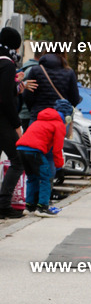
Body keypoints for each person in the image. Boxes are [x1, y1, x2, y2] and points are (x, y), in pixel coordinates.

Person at [16, 100, 68, 216]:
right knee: (46, 177)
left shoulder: (37, 121)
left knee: (32, 178)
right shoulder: (58, 124)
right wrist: (60, 168)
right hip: (35, 151)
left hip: (20, 149)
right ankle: (42, 207)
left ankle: (29, 206)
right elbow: (57, 149)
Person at [0, 27, 24, 219]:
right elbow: (5, 99)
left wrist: (17, 87)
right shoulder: (7, 65)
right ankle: (4, 204)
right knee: (17, 160)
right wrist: (17, 124)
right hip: (3, 122)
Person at [24, 51, 80, 124]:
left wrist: (34, 109)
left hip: (38, 117)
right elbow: (75, 99)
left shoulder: (35, 70)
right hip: (60, 119)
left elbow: (27, 96)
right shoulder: (69, 72)